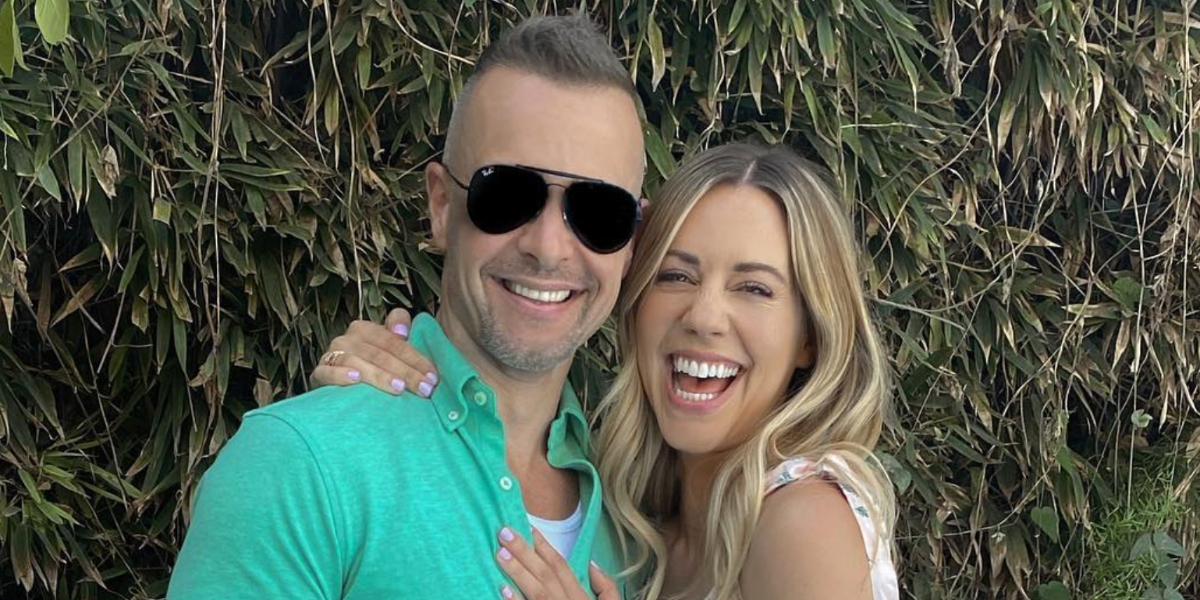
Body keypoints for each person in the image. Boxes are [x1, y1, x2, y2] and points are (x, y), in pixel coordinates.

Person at [168, 14, 645, 600]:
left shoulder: (640, 523)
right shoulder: (300, 464)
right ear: (441, 205)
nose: (548, 247)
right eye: (507, 196)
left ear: (632, 244)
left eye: (599, 213)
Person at [313, 143, 900, 600]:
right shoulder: (637, 523)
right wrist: (371, 387)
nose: (703, 317)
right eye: (676, 276)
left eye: (754, 288)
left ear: (809, 337)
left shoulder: (802, 518)